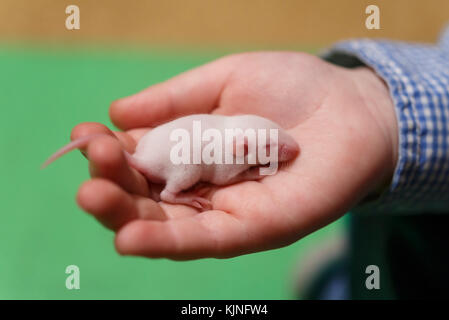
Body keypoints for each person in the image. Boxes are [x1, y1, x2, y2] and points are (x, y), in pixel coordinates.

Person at [70, 26, 449, 299]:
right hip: (170, 160)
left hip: (418, 225)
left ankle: (339, 284)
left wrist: (381, 115)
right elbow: (224, 168)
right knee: (401, 262)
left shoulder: (238, 138)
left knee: (397, 261)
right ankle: (173, 192)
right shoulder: (230, 156)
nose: (284, 150)